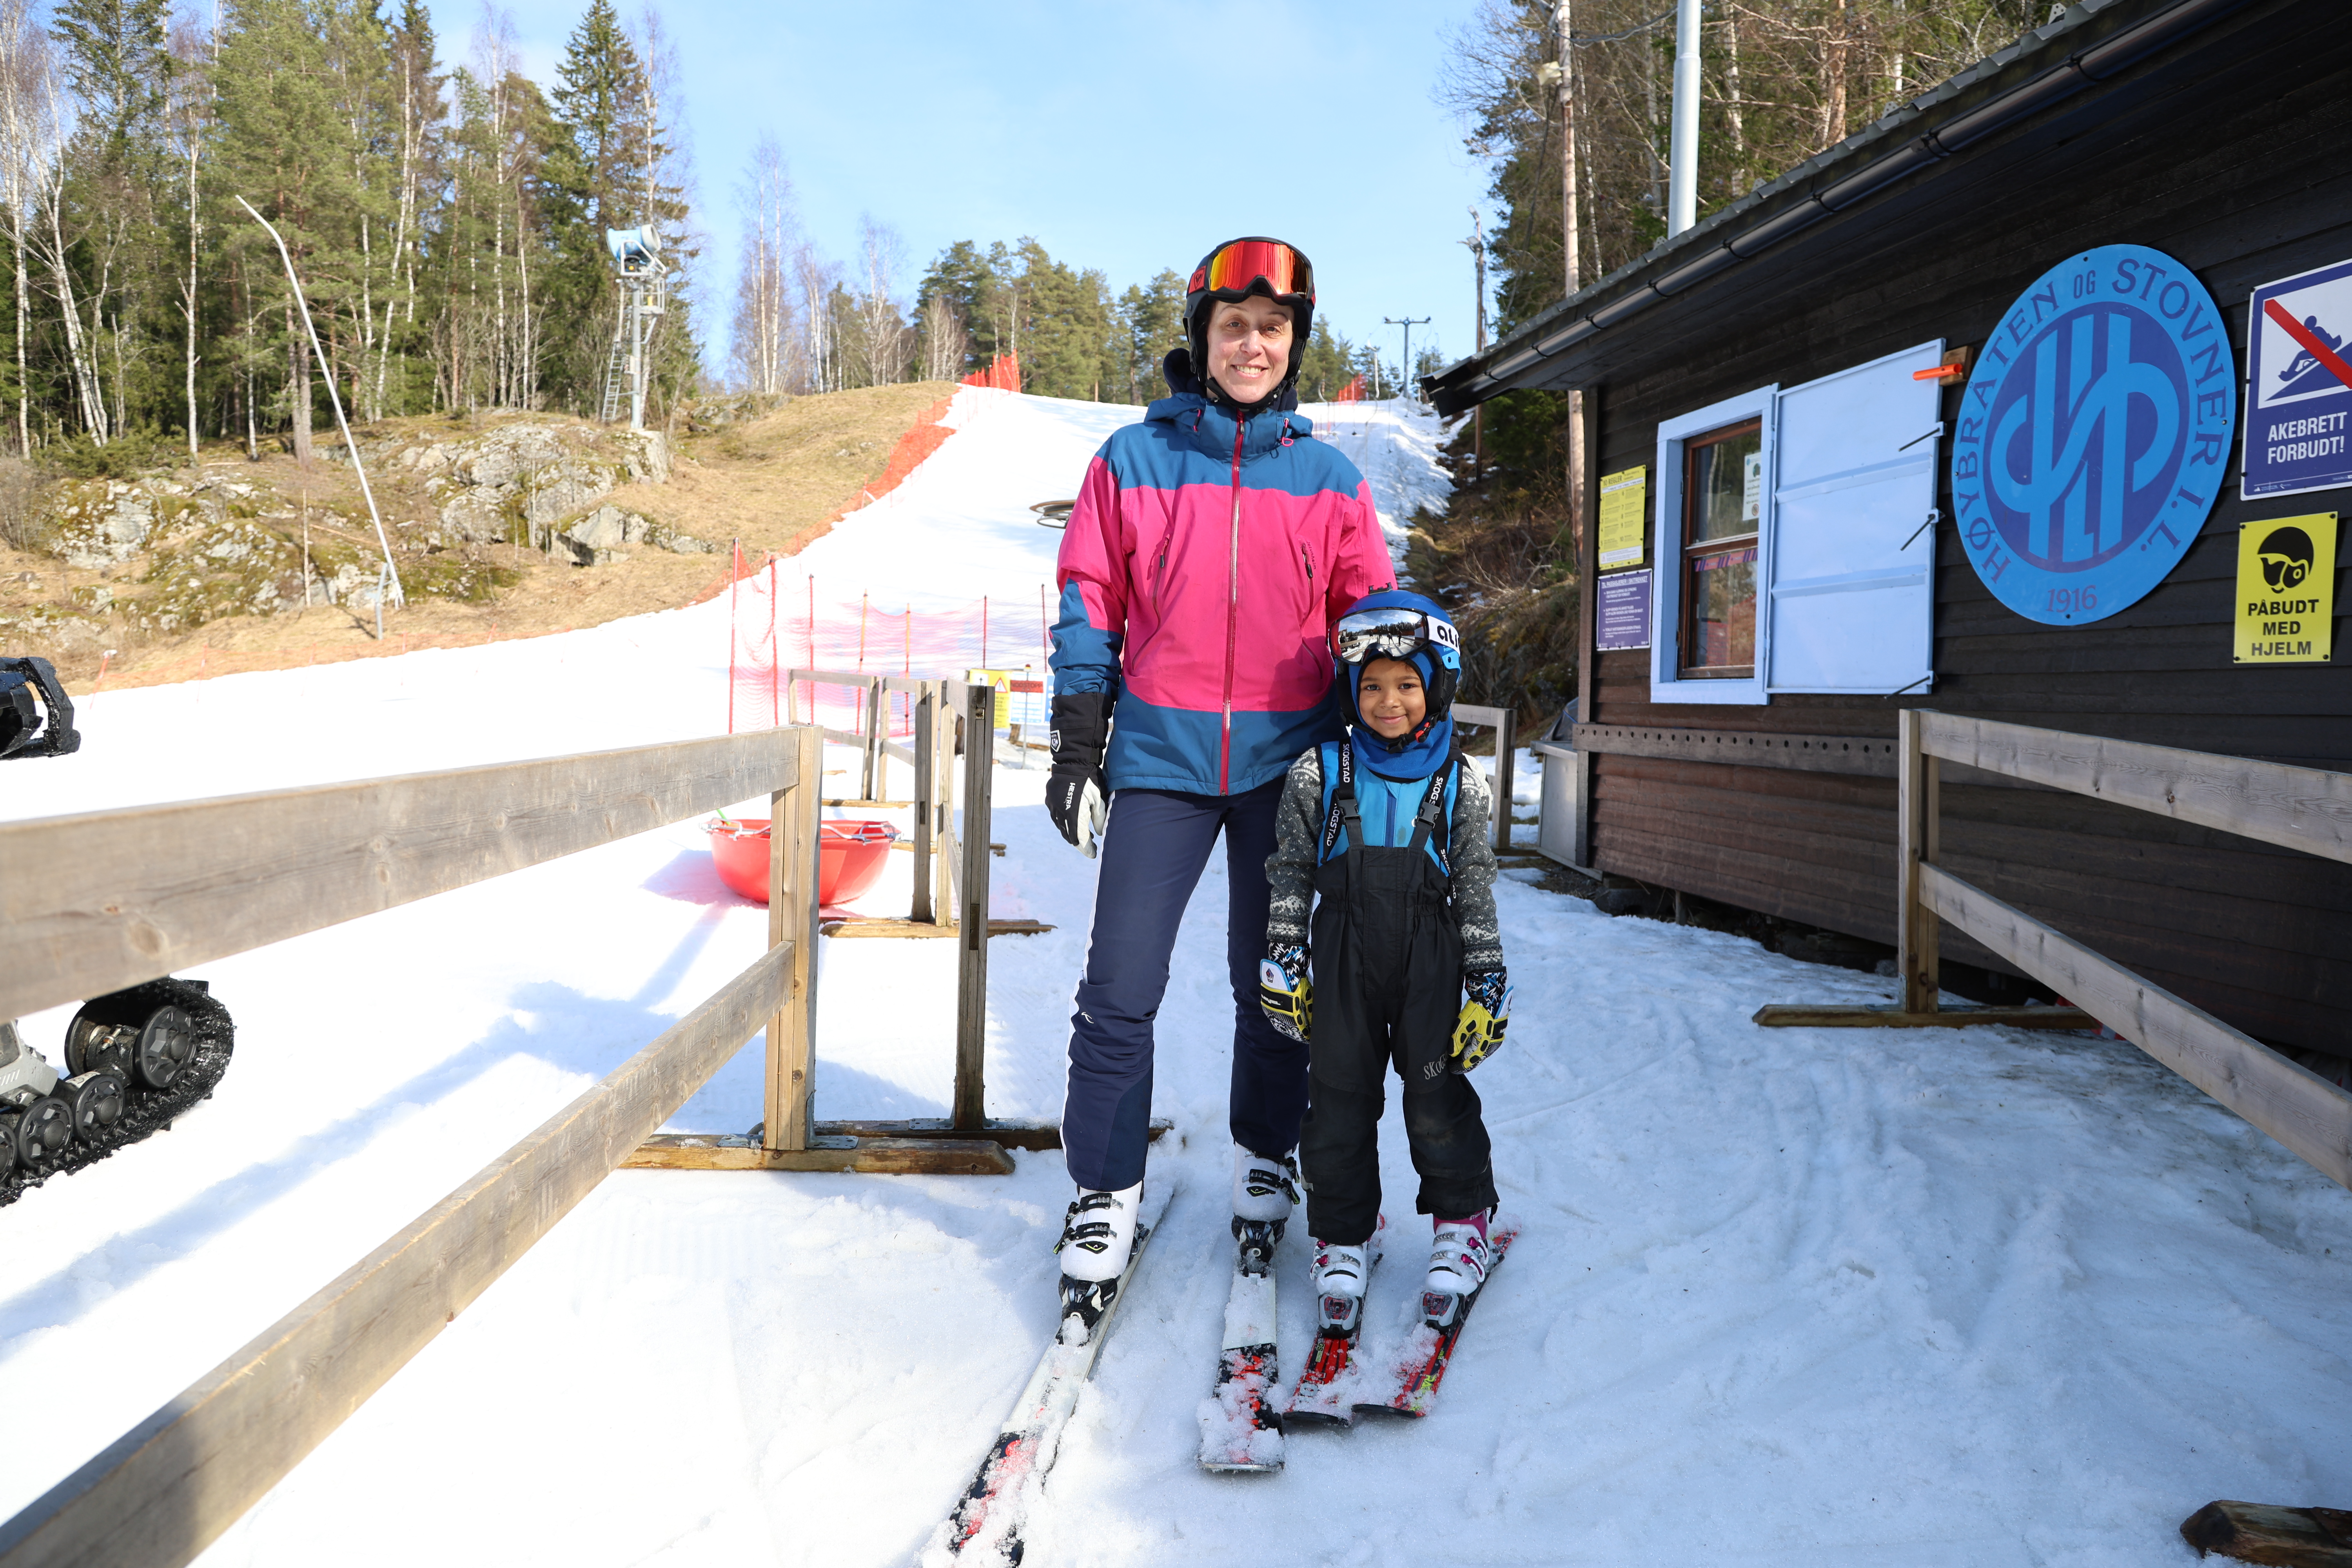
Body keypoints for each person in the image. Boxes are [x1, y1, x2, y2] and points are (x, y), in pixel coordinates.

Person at [1044, 238, 1395, 1325]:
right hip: (1161, 758)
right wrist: (1080, 737)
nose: (1252, 345)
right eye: (1234, 326)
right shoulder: (1132, 461)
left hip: (1288, 765)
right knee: (1120, 984)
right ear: (1202, 339)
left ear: (1293, 346)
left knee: (1273, 981)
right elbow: (1090, 598)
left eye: (1272, 329)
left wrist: (1377, 756)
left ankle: (1266, 1154)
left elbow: (1372, 625)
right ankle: (1106, 1189)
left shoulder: (1330, 481)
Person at [1258, 590, 1512, 1332]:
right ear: (1350, 690)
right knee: (1338, 1098)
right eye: (1371, 685)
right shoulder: (1321, 769)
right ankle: (1343, 1235)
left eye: (1406, 683)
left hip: (1431, 956)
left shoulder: (1460, 779)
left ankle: (1462, 1225)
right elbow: (1290, 868)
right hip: (1342, 954)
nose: (1388, 701)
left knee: (1436, 1096)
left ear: (1437, 686)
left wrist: (1486, 978)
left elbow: (1474, 882)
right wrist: (1285, 953)